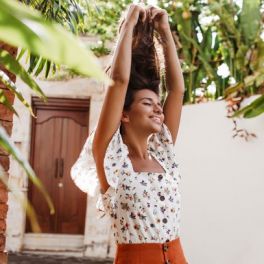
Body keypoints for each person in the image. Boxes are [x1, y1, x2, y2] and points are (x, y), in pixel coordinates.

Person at [71, 4, 187, 264]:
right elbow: (120, 80)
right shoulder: (111, 159)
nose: (158, 107)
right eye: (147, 103)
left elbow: (177, 91)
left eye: (158, 104)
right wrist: (129, 25)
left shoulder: (163, 153)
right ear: (124, 114)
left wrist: (165, 32)